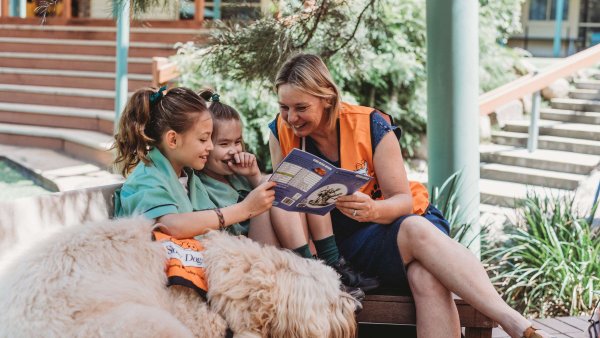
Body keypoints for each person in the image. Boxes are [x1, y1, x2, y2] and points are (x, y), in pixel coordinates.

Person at [267, 53, 549, 338]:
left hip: (395, 226)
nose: (291, 118)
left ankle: (511, 321)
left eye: (300, 107)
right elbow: (287, 203)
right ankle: (515, 323)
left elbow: (403, 201)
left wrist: (372, 210)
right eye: (284, 107)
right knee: (426, 275)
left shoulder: (371, 124)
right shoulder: (280, 132)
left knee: (418, 242)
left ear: (327, 97)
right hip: (340, 251)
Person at [112, 86, 276, 241]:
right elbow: (170, 225)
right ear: (173, 139)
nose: (210, 146)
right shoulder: (147, 178)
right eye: (204, 139)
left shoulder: (187, 175)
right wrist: (244, 209)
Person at [194, 89, 279, 246]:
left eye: (237, 142)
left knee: (272, 185)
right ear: (205, 143)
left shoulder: (240, 176)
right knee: (268, 187)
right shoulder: (200, 187)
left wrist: (254, 175)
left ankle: (312, 259)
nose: (234, 150)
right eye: (224, 144)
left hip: (273, 247)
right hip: (247, 253)